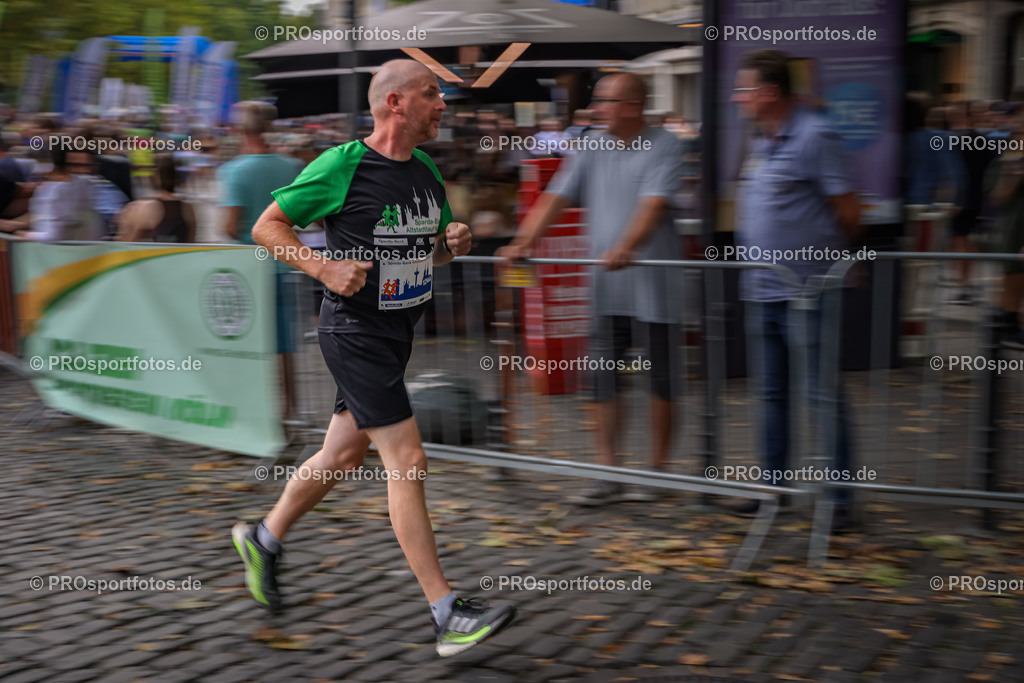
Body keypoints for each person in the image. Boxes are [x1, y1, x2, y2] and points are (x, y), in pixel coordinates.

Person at [231, 60, 515, 657]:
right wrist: (322, 266)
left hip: (395, 336)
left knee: (342, 453)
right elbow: (266, 227)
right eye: (431, 93)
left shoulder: (427, 171)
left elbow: (426, 253)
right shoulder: (342, 165)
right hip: (353, 332)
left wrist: (453, 244)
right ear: (395, 103)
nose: (443, 104)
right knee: (407, 460)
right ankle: (446, 612)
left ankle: (264, 538)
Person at [500, 72, 684, 506]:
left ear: (632, 107)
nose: (595, 108)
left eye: (605, 101)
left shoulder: (666, 145)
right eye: (597, 99)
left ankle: (657, 470)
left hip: (655, 283)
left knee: (662, 379)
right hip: (605, 285)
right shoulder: (591, 146)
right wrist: (523, 241)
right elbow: (556, 197)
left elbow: (655, 204)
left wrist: (627, 246)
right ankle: (608, 472)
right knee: (601, 376)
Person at [731, 49, 860, 530]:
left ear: (769, 93)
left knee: (822, 395)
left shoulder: (814, 135)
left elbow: (849, 210)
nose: (736, 97)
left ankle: (840, 498)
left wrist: (833, 267)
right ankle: (774, 489)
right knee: (770, 393)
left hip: (807, 292)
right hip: (762, 287)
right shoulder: (760, 139)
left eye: (743, 89)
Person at [218, 101, 305, 422]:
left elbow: (230, 227)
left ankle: (250, 416)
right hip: (284, 265)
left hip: (249, 271)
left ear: (241, 129)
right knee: (285, 349)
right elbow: (303, 216)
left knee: (244, 346)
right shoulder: (291, 167)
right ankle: (289, 413)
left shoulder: (233, 171)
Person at [985, 110, 1024, 348]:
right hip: (1013, 232)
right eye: (1018, 133)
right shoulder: (1003, 163)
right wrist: (1012, 177)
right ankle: (1004, 326)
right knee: (1013, 279)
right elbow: (997, 198)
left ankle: (1005, 324)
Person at [116, 153, 196, 243]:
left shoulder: (143, 208)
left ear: (155, 176)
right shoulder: (188, 209)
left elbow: (126, 245)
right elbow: (190, 242)